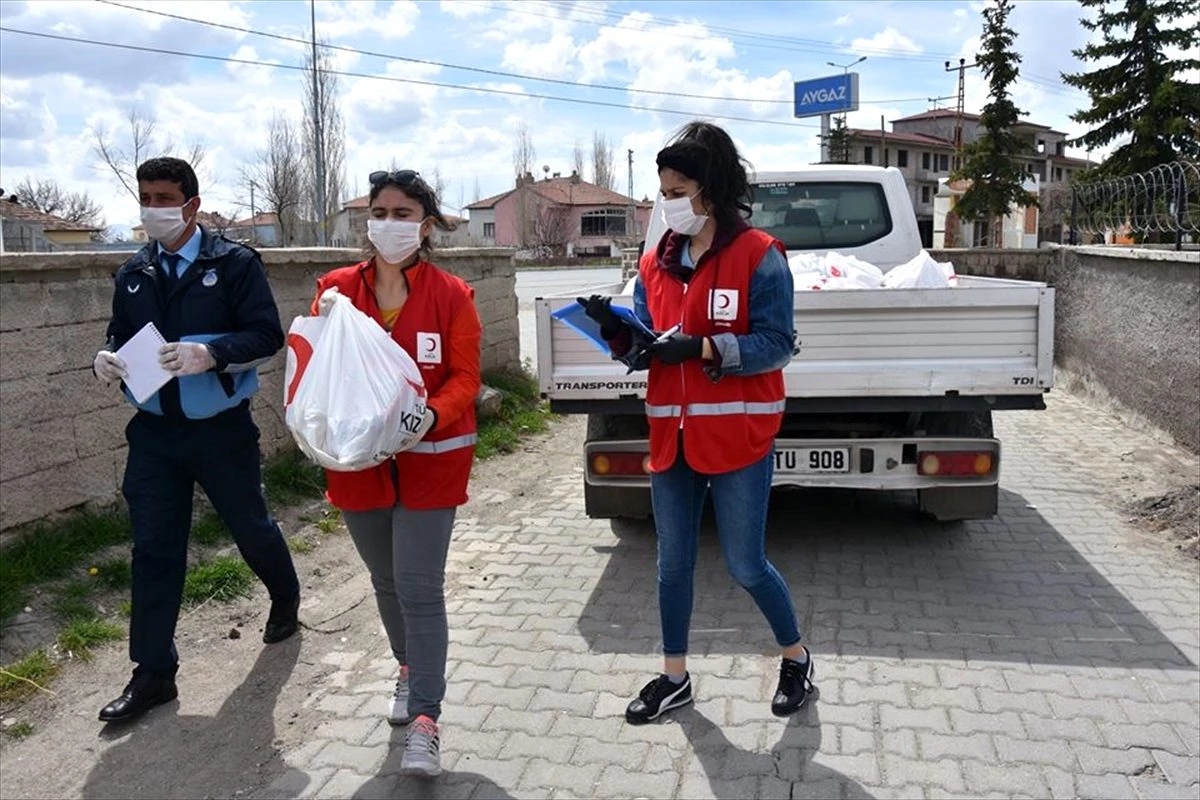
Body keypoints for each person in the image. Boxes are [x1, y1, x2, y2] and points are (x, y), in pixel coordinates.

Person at [581, 121, 814, 724]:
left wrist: (706, 349)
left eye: (678, 188)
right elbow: (648, 344)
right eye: (663, 189)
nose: (669, 201)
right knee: (672, 564)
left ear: (710, 189)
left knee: (744, 565)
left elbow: (777, 344)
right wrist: (616, 335)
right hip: (671, 435)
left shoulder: (760, 256)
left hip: (738, 437)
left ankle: (796, 656)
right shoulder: (654, 263)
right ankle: (674, 676)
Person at [91, 157, 301, 724]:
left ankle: (285, 594)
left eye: (165, 198)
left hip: (221, 430)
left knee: (249, 525)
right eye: (146, 197)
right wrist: (104, 360)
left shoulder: (232, 264)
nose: (154, 208)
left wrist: (210, 354)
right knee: (154, 548)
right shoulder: (134, 271)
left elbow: (266, 335)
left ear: (191, 203)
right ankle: (153, 673)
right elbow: (120, 333)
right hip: (155, 434)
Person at [308, 169, 482, 778]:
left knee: (418, 586)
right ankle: (407, 670)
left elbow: (465, 376)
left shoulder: (452, 295)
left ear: (425, 225)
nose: (389, 222)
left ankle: (428, 723)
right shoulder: (335, 292)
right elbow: (317, 370)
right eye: (380, 211)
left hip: (431, 463)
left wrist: (430, 414)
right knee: (384, 581)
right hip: (359, 467)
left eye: (403, 212)